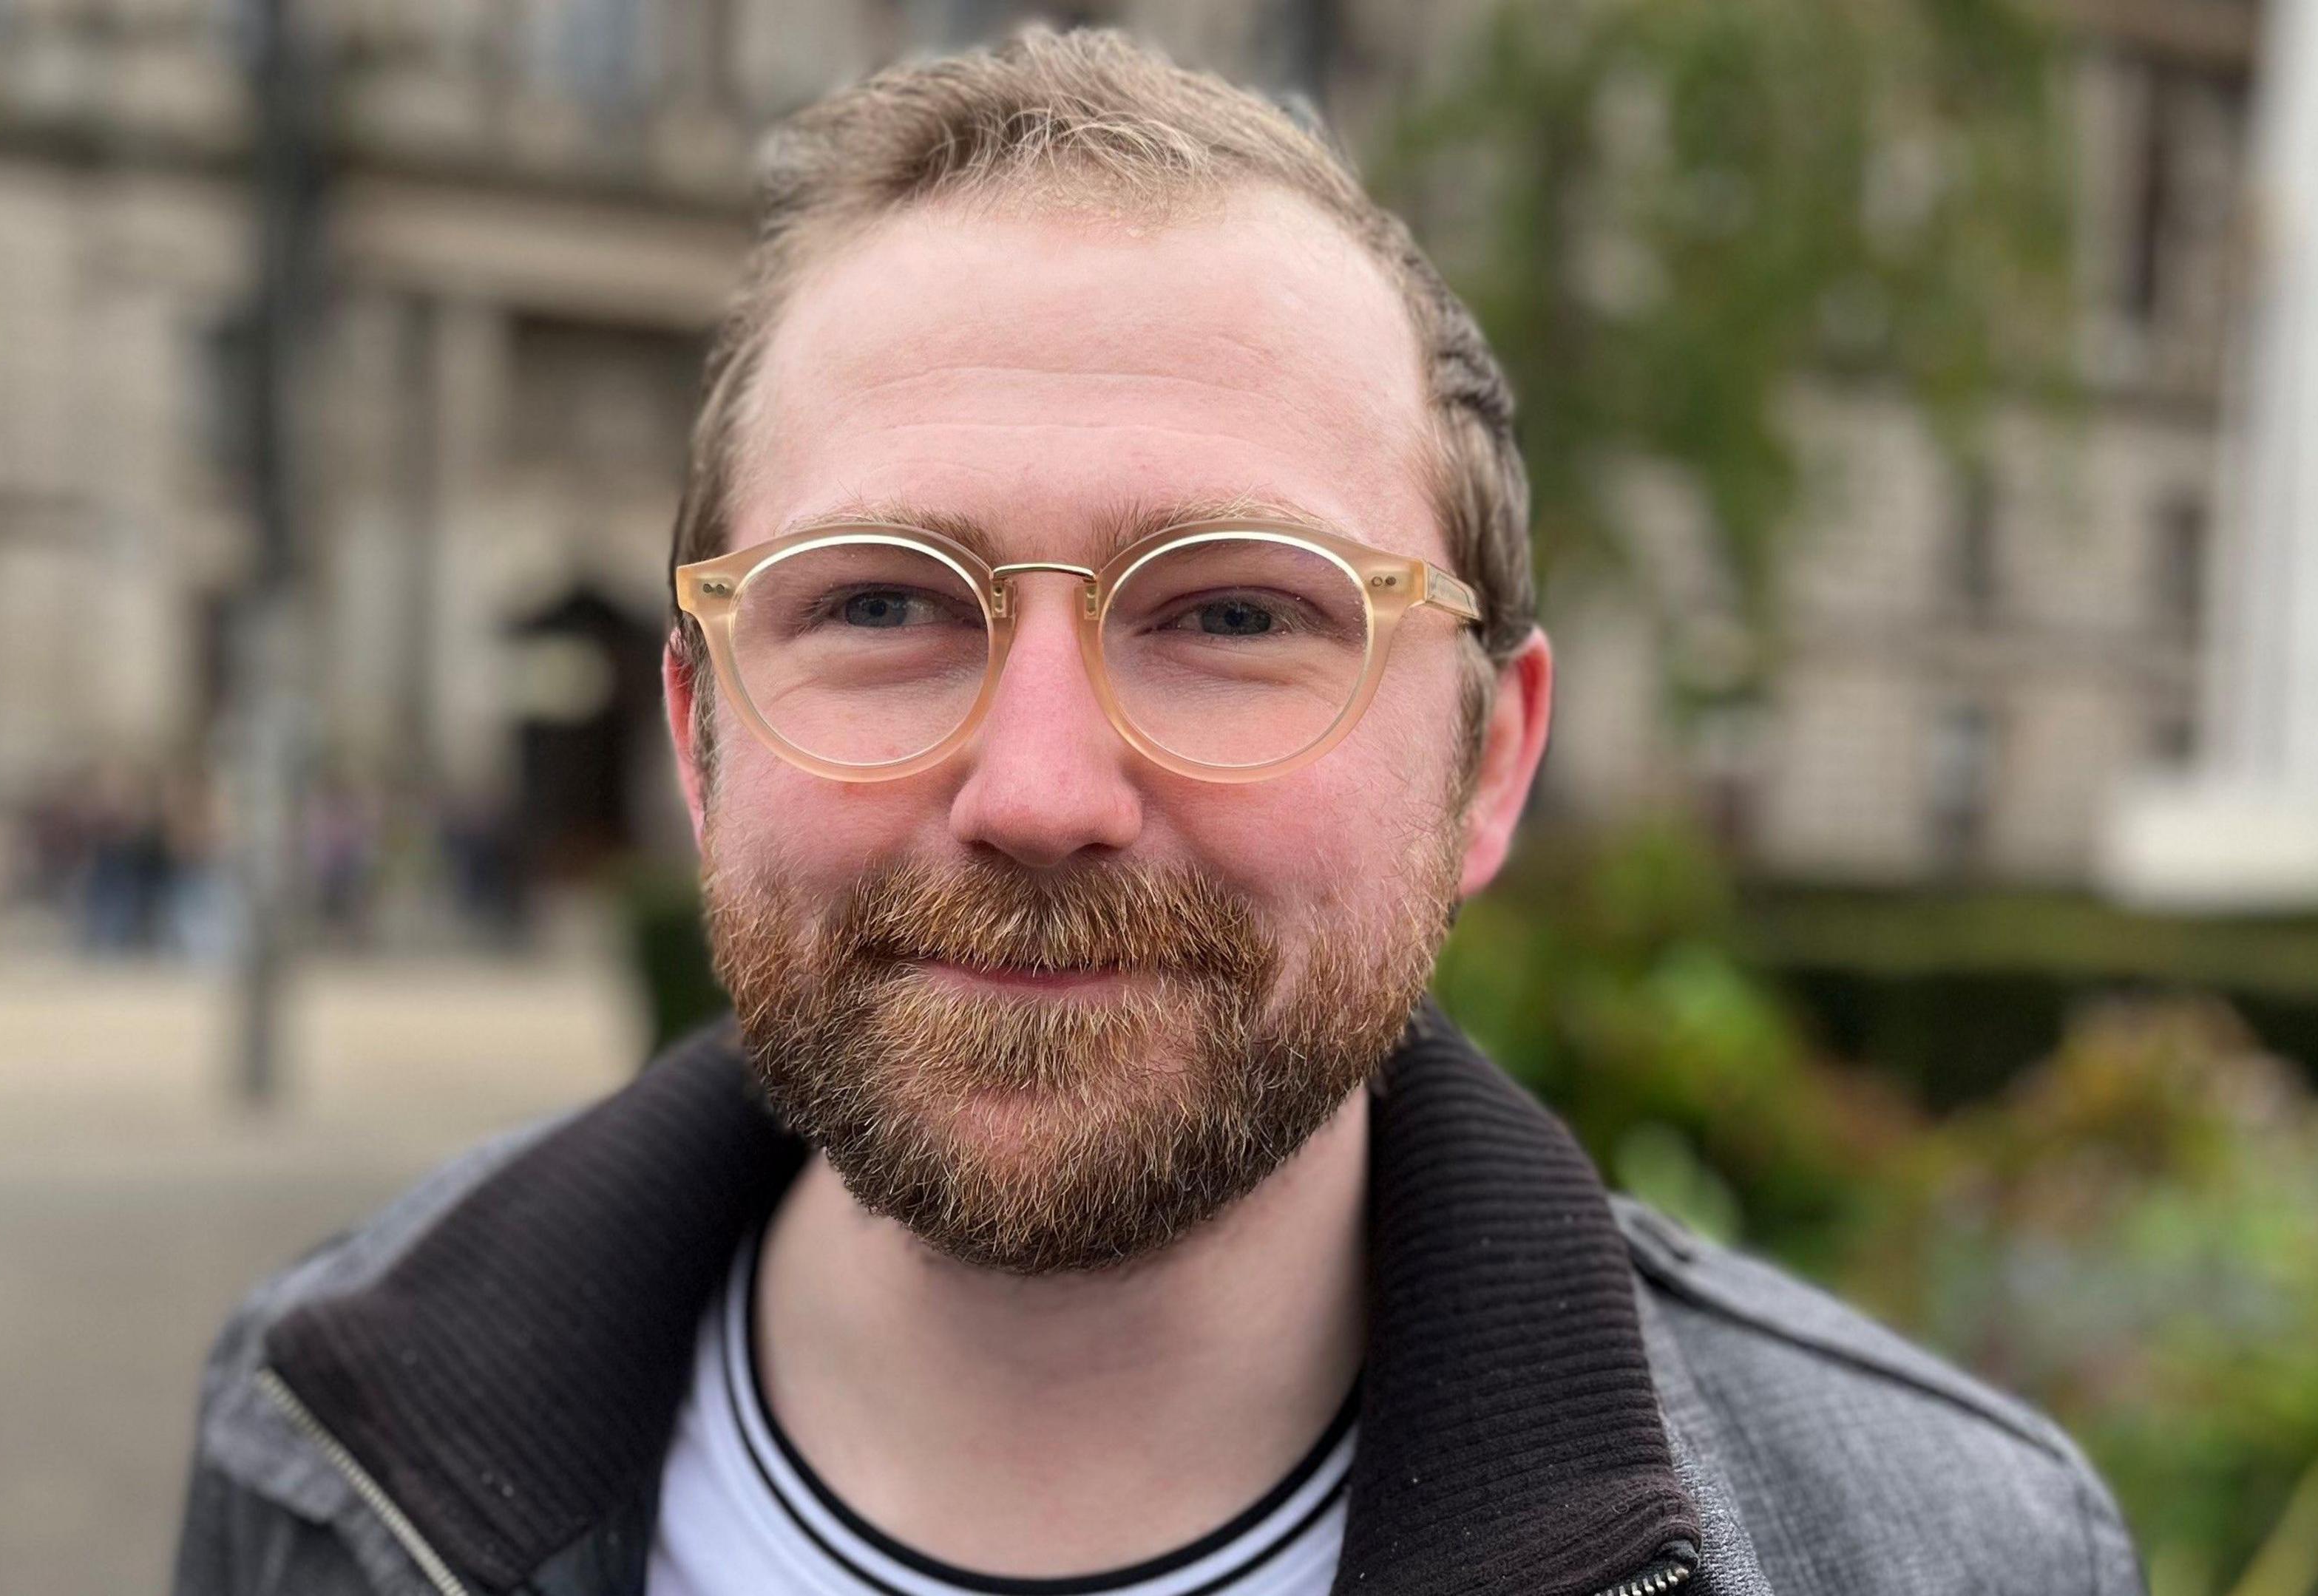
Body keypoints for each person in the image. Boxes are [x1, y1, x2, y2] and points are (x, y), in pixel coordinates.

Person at [172, 30, 2141, 1596]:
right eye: (879, 604)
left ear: (1487, 764)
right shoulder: (314, 1427)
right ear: (697, 736)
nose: (1040, 792)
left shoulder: (1947, 1555)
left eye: (1230, 613)